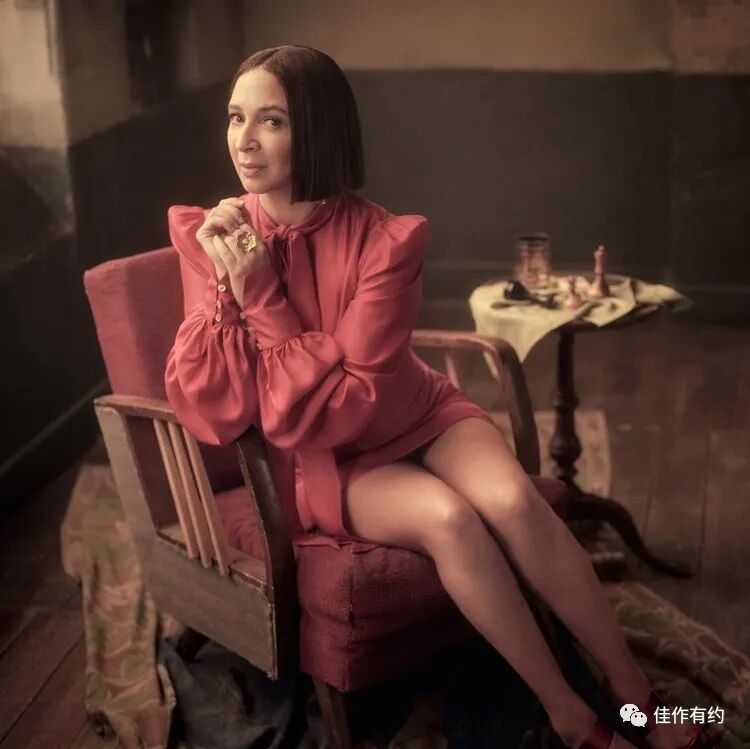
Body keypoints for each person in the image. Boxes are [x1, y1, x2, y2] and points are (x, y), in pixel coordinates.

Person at [163, 45, 714, 749]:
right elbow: (217, 408)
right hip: (325, 459)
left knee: (513, 500)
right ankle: (572, 717)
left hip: (417, 414)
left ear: (319, 128)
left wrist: (264, 306)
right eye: (236, 117)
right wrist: (250, 292)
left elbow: (358, 395)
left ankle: (639, 701)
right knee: (451, 520)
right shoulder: (213, 238)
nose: (244, 140)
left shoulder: (385, 240)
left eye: (271, 121)